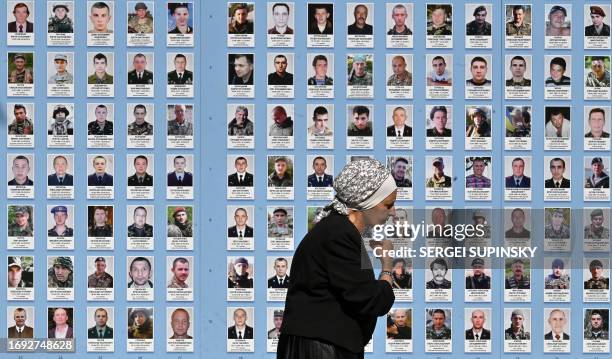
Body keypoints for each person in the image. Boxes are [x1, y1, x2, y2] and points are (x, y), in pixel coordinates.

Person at [278, 159, 397, 357]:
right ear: (365, 202)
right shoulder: (339, 234)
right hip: (321, 349)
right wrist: (386, 265)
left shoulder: (336, 230)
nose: (393, 212)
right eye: (388, 204)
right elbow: (372, 300)